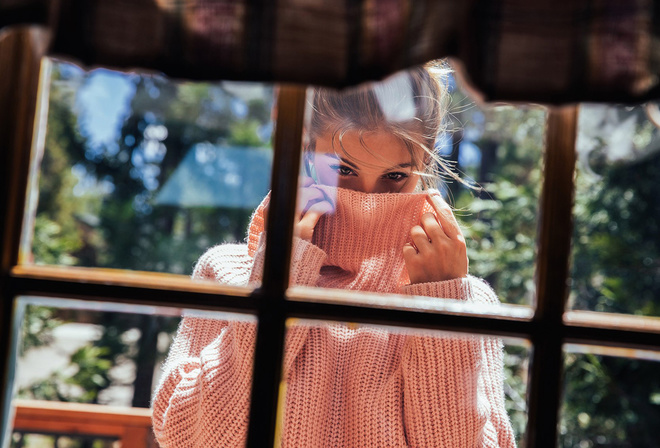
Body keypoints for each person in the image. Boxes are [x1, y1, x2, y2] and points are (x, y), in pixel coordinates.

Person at [152, 63, 516, 447]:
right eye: (343, 168)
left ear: (423, 171)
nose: (368, 198)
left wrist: (443, 304)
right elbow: (183, 435)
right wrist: (275, 279)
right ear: (303, 154)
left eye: (395, 177)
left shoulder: (464, 299)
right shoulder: (228, 272)